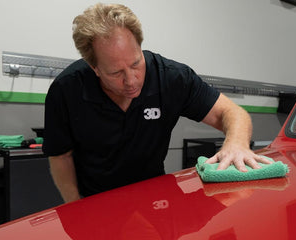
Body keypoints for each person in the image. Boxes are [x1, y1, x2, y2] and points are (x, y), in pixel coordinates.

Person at [43, 3, 271, 203]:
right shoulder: (66, 90)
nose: (131, 80)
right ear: (95, 68)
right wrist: (74, 205)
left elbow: (232, 112)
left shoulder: (172, 77)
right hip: (97, 201)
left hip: (156, 199)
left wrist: (236, 144)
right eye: (116, 73)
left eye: (136, 64)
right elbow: (61, 156)